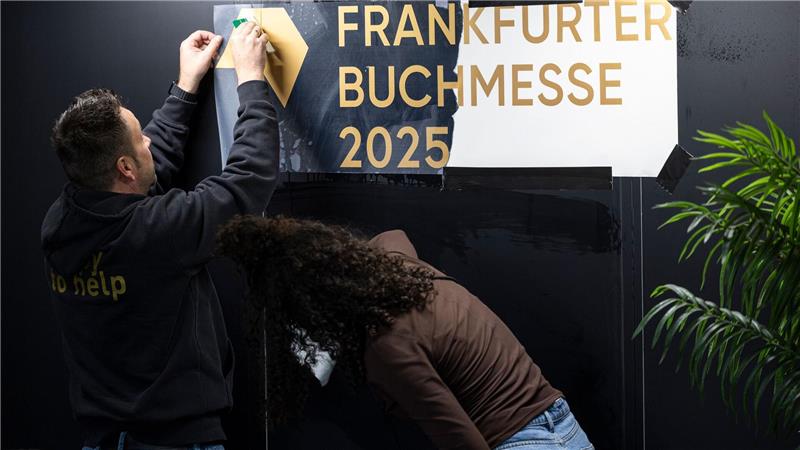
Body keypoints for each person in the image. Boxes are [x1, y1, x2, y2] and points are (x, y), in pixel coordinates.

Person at [41, 22, 277, 450]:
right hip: (178, 443)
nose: (149, 139)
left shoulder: (60, 222)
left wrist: (186, 86)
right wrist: (252, 79)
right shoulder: (155, 233)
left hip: (103, 439)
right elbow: (247, 181)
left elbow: (145, 169)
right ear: (125, 167)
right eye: (141, 138)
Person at [216, 216, 594, 450]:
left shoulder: (384, 346)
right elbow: (391, 234)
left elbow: (459, 439)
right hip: (561, 422)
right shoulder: (398, 264)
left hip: (519, 441)